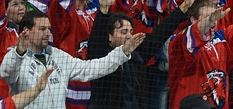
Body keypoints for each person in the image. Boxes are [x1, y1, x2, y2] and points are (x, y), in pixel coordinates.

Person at [86, 0, 197, 109]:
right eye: (123, 32)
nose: (129, 36)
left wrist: (183, 7)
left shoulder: (136, 55)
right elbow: (96, 42)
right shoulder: (100, 58)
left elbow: (160, 33)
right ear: (109, 36)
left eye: (130, 31)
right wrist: (104, 11)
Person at [0, 9, 144, 109]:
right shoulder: (16, 57)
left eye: (49, 29)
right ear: (27, 31)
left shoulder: (58, 56)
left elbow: (92, 68)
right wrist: (19, 52)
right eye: (42, 29)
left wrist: (122, 53)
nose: (47, 33)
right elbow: (7, 73)